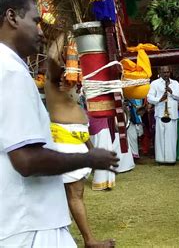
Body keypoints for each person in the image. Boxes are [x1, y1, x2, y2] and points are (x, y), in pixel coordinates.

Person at [0, 0, 118, 246]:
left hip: (22, 218)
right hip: (31, 223)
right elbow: (26, 161)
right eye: (35, 21)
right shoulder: (9, 72)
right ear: (11, 17)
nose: (40, 30)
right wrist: (89, 157)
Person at [45, 34, 116, 247]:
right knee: (74, 194)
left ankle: (67, 236)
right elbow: (50, 57)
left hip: (77, 143)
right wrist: (67, 32)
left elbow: (82, 132)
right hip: (63, 143)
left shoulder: (71, 85)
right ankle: (89, 240)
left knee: (75, 193)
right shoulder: (52, 82)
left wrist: (91, 152)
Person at [147, 66, 179, 164]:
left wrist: (172, 92)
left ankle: (171, 159)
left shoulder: (175, 84)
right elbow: (149, 98)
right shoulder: (154, 83)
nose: (166, 74)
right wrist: (159, 99)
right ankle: (160, 159)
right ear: (160, 72)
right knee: (160, 137)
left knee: (171, 137)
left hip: (172, 114)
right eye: (164, 72)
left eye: (168, 72)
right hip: (160, 113)